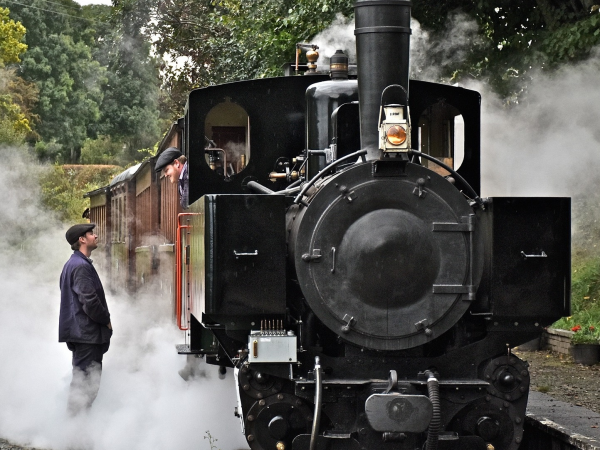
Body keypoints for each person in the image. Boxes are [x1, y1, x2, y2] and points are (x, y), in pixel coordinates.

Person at [59, 223, 112, 415]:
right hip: (87, 334)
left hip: (81, 333)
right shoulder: (80, 266)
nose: (95, 236)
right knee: (86, 386)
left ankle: (77, 432)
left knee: (84, 383)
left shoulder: (74, 263)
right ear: (81, 239)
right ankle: (75, 436)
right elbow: (89, 301)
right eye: (91, 234)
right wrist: (106, 320)